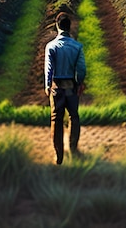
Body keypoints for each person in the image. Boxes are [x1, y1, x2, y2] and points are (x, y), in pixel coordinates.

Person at [44, 11, 86, 165]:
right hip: (71, 88)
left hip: (56, 87)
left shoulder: (51, 46)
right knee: (74, 117)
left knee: (56, 119)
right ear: (69, 27)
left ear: (57, 26)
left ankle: (58, 155)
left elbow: (49, 68)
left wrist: (47, 85)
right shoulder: (77, 46)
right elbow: (81, 69)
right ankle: (73, 150)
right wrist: (80, 83)